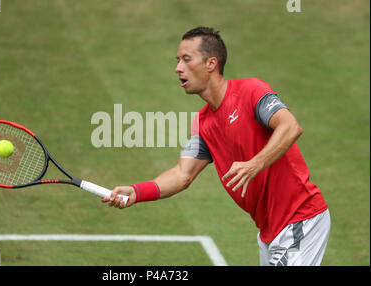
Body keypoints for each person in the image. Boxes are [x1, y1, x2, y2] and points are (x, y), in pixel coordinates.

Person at [102, 26, 330, 266]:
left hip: (301, 220)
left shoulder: (250, 92)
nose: (178, 68)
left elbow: (290, 126)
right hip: (270, 232)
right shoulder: (202, 123)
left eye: (186, 60)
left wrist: (255, 164)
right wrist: (137, 192)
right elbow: (182, 175)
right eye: (178, 60)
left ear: (211, 64)